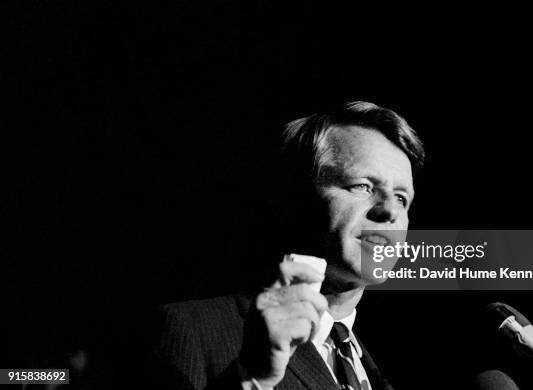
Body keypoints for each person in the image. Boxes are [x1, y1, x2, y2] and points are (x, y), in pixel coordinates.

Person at [153, 101, 425, 390]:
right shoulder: (192, 330)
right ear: (295, 200)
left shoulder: (381, 371)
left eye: (401, 197)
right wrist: (251, 379)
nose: (390, 211)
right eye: (363, 186)